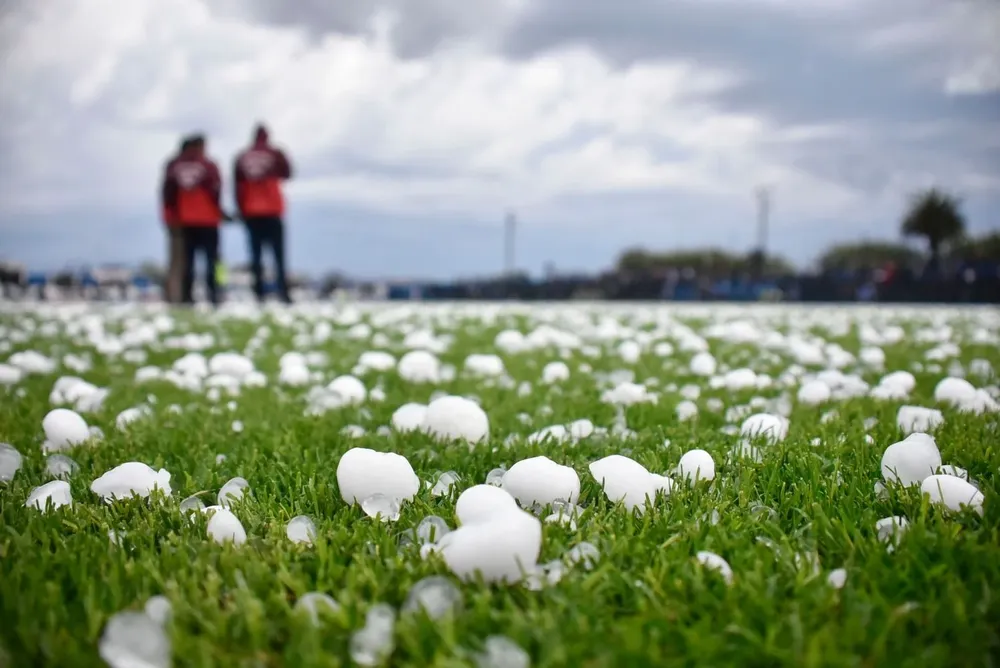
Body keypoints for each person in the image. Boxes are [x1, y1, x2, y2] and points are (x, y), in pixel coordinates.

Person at [161, 134, 226, 306]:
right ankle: (215, 293)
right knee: (214, 261)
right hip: (209, 220)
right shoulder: (209, 165)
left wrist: (169, 217)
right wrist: (221, 213)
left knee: (187, 263)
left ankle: (187, 296)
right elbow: (216, 191)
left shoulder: (174, 166)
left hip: (184, 220)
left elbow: (167, 193)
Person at [234, 123, 293, 304]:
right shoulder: (275, 154)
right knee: (278, 255)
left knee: (255, 256)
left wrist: (240, 210)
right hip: (272, 210)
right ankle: (283, 292)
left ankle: (258, 293)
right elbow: (288, 173)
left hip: (251, 211)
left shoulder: (243, 156)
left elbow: (238, 187)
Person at [161, 136, 194, 304]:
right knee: (179, 262)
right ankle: (176, 297)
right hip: (183, 220)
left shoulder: (173, 166)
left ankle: (177, 297)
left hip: (178, 219)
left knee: (178, 262)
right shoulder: (202, 165)